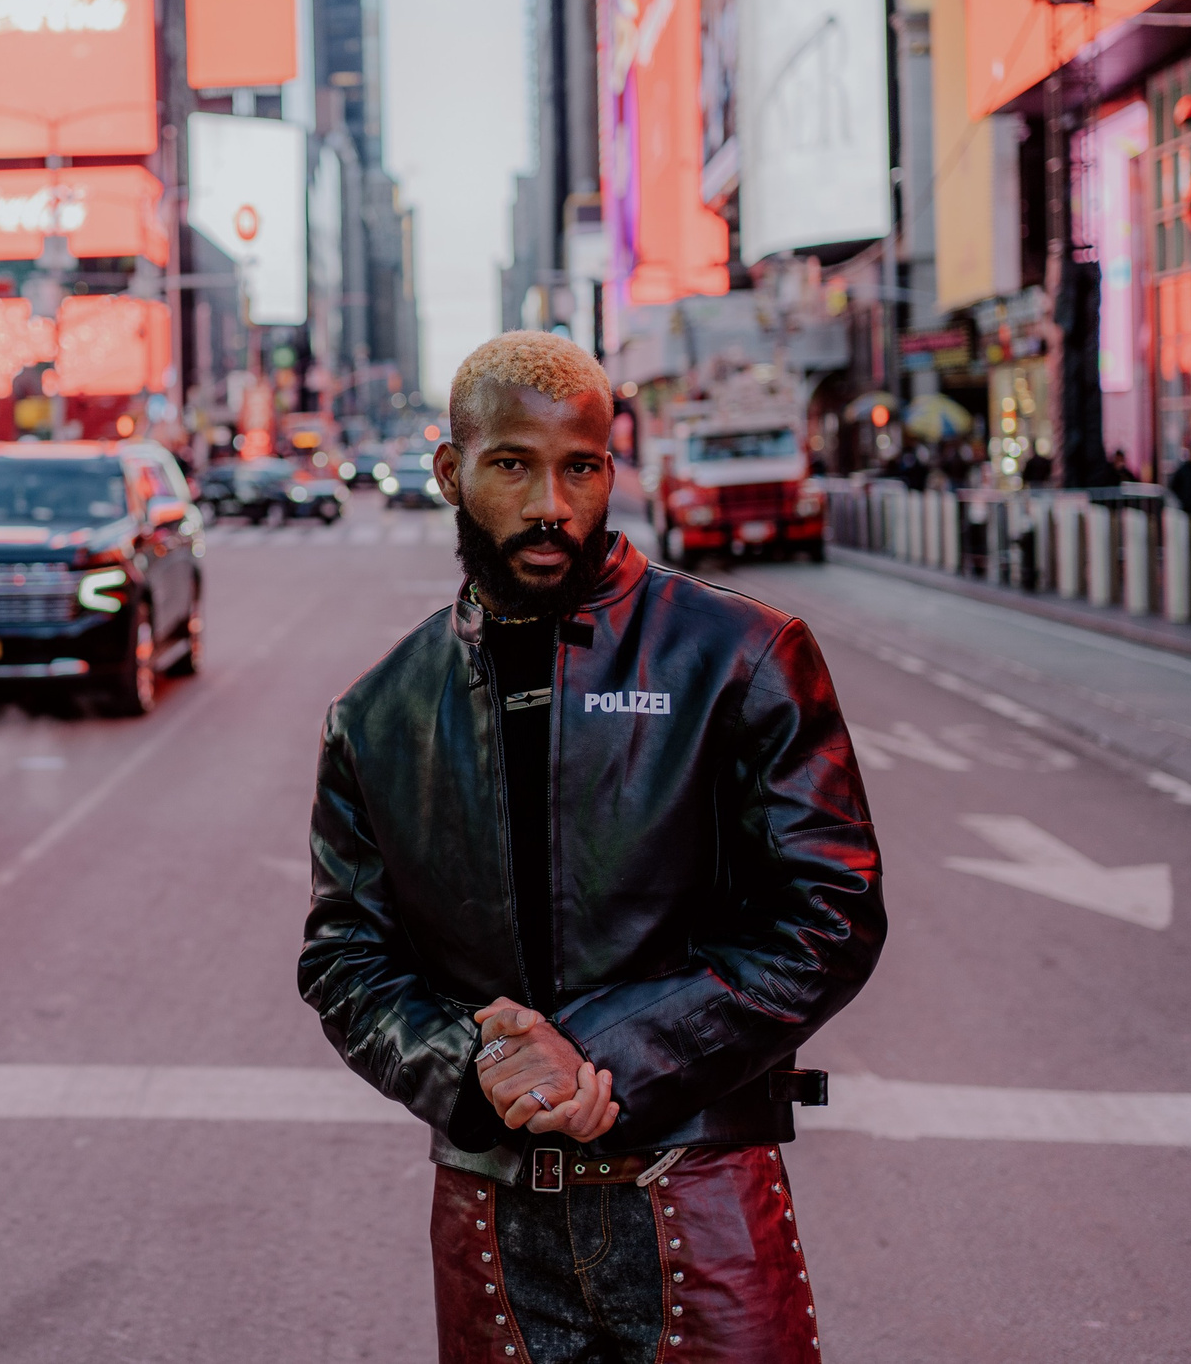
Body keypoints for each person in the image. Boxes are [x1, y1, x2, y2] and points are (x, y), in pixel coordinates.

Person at [300, 331, 886, 1364]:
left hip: (698, 1198)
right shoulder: (377, 715)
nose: (549, 506)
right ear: (451, 471)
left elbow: (828, 915)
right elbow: (344, 959)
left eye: (580, 467)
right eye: (512, 465)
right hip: (491, 1215)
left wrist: (613, 1054)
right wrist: (474, 1065)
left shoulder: (741, 657)